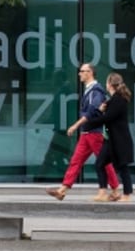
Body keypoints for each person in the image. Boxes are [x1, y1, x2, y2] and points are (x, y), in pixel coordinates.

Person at [46, 63, 119, 201]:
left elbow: (92, 111)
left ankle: (115, 189)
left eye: (82, 71)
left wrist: (75, 126)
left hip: (94, 133)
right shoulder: (89, 90)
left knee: (103, 162)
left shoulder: (96, 91)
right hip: (87, 133)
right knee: (76, 161)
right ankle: (63, 190)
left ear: (90, 73)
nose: (79, 74)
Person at [71, 72, 135, 202]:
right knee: (100, 164)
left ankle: (127, 195)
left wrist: (92, 121)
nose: (105, 84)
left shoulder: (119, 100)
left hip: (120, 141)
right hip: (110, 140)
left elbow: (108, 118)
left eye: (107, 82)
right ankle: (103, 192)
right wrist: (102, 110)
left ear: (110, 84)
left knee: (123, 167)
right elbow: (107, 115)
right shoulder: (113, 100)